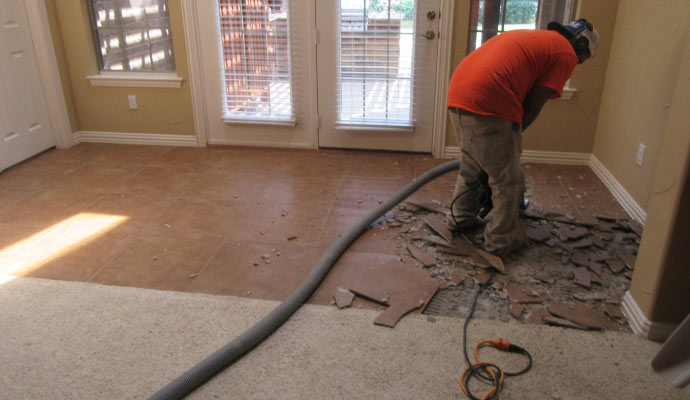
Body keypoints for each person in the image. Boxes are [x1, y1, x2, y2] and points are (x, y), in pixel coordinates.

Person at [446, 19, 599, 258]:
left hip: (460, 92)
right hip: (489, 98)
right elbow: (537, 98)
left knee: (472, 167)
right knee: (507, 180)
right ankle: (500, 243)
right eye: (583, 58)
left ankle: (461, 219)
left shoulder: (543, 41)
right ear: (581, 45)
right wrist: (515, 129)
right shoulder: (565, 52)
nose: (578, 63)